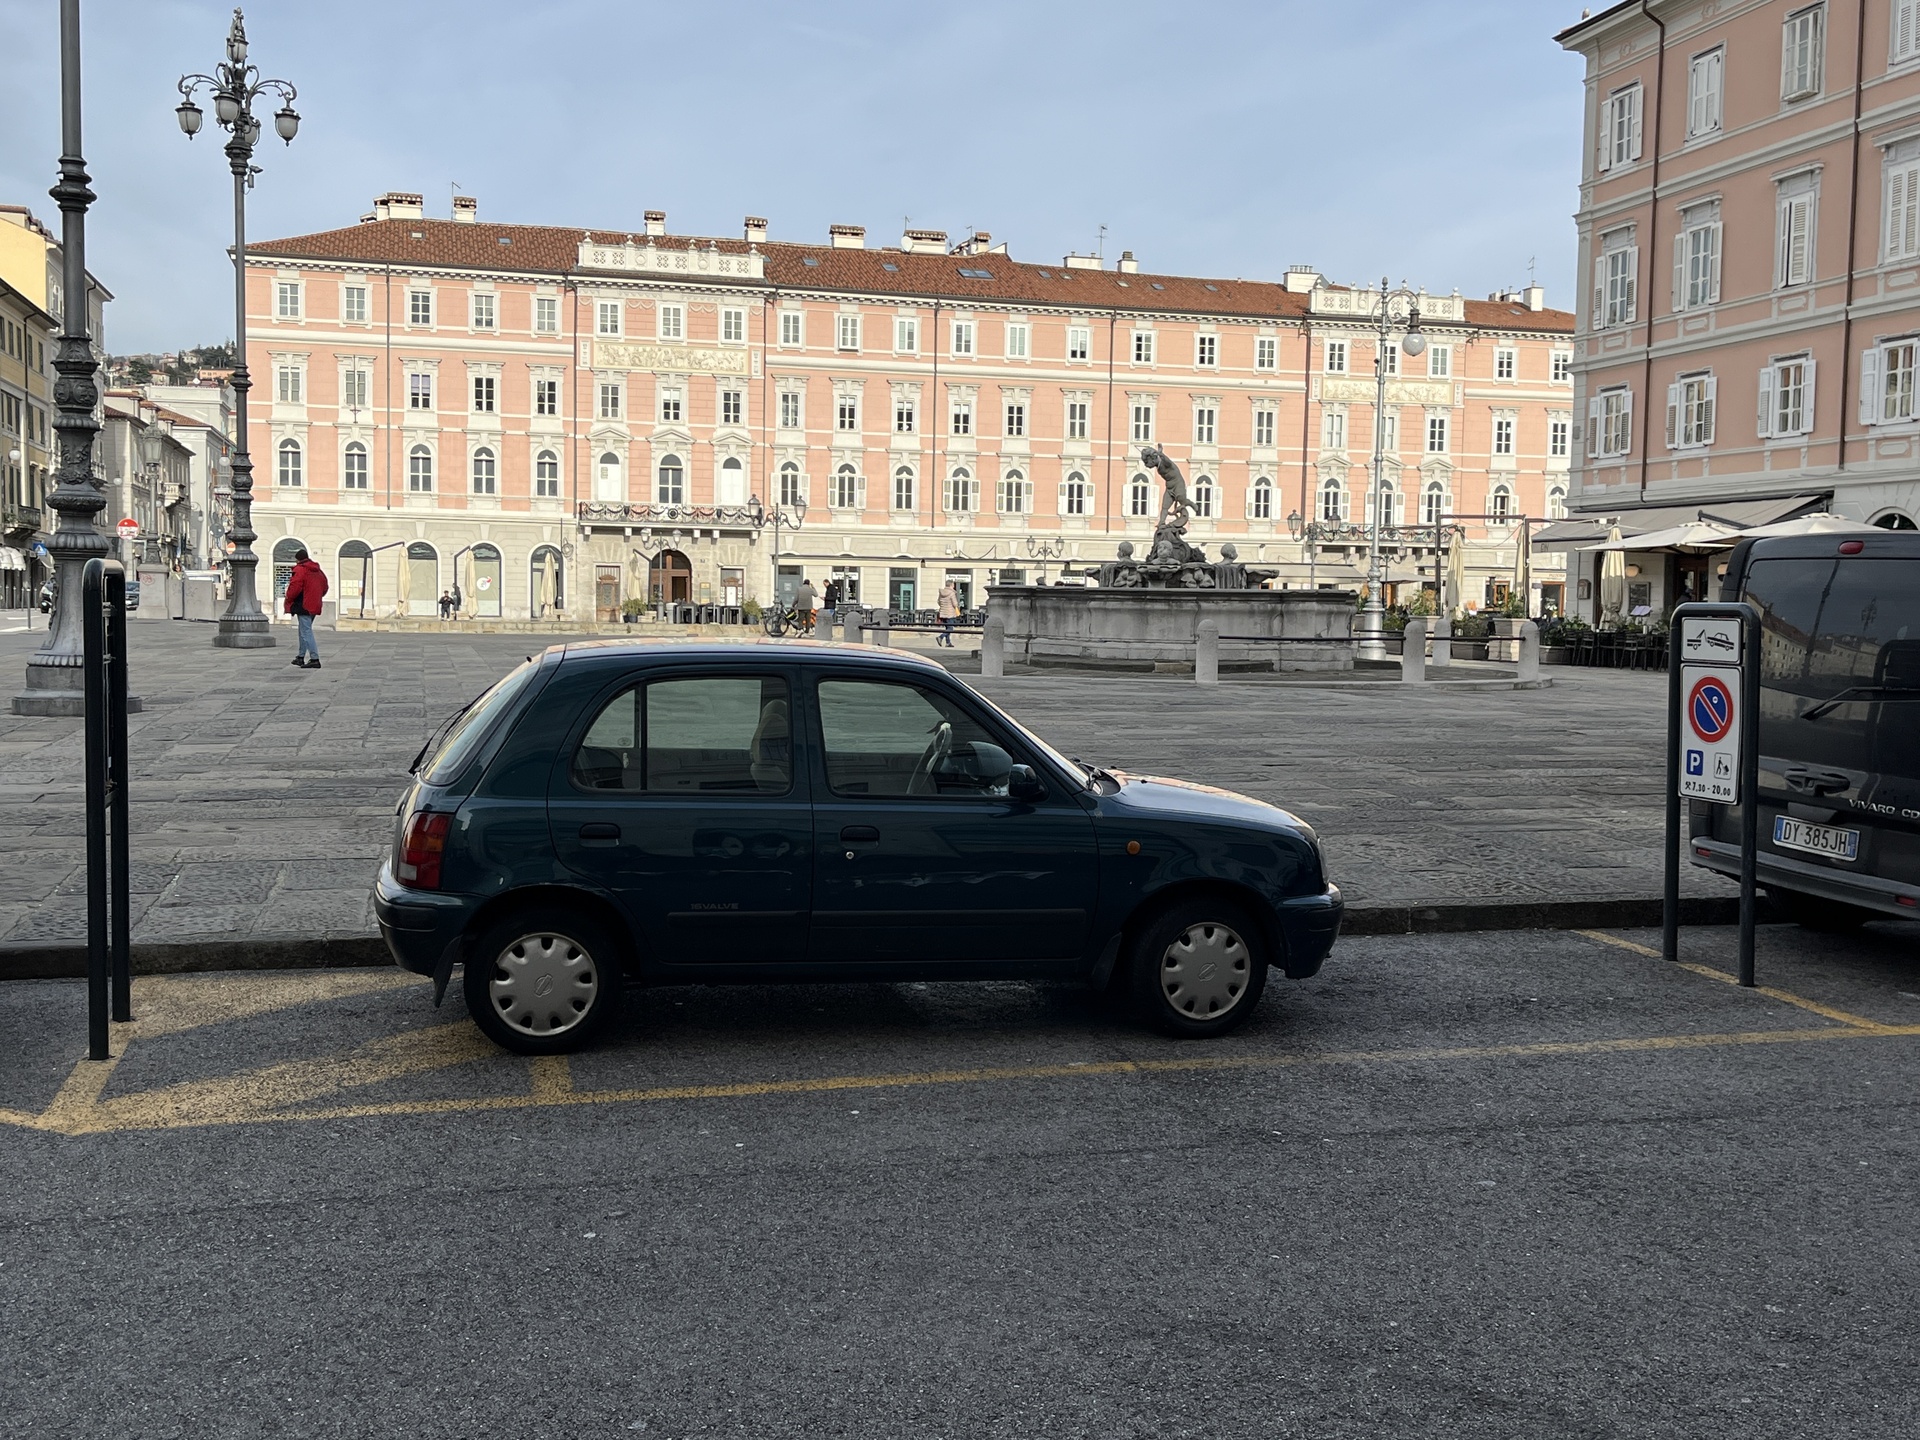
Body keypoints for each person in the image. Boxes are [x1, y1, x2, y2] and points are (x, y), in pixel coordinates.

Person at [283, 547, 328, 669]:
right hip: (314, 604)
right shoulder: (318, 571)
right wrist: (317, 596)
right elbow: (325, 587)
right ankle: (300, 657)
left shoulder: (301, 569)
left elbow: (295, 587)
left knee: (306, 631)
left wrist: (288, 599)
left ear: (297, 560)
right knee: (303, 630)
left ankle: (314, 658)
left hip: (303, 604)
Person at [936, 579, 960, 647]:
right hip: (950, 613)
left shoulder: (941, 592)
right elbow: (955, 604)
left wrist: (943, 606)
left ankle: (948, 642)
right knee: (950, 629)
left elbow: (938, 601)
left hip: (943, 612)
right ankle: (940, 637)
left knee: (947, 628)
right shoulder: (952, 593)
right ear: (951, 585)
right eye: (953, 584)